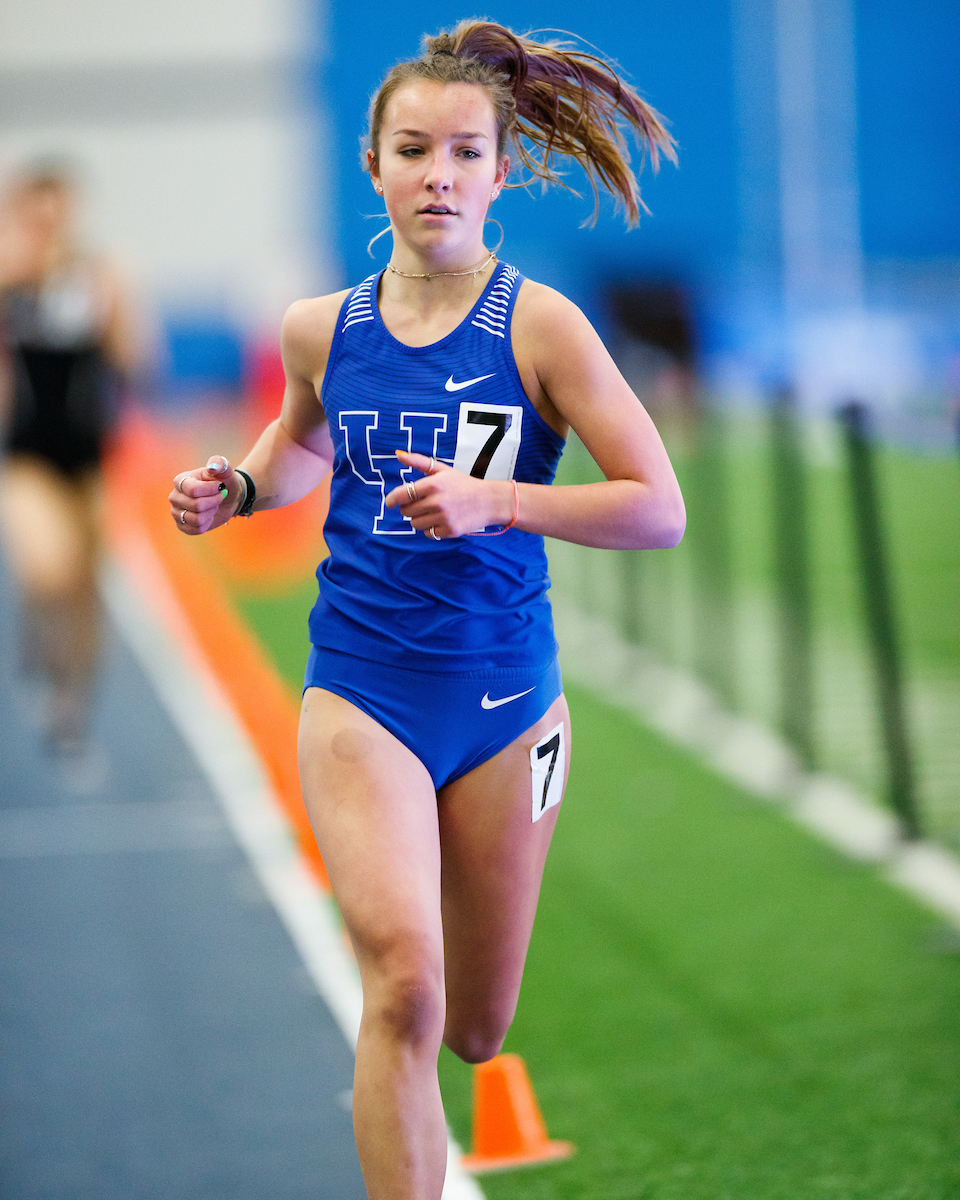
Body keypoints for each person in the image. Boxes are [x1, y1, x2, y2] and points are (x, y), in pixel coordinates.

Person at [170, 21, 685, 1199]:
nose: (437, 175)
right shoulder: (321, 329)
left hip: (507, 705)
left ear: (501, 172)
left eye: (463, 153)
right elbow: (303, 442)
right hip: (362, 690)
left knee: (476, 1026)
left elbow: (658, 508)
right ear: (375, 165)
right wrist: (240, 486)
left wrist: (498, 501)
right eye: (413, 150)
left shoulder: (542, 326)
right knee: (405, 982)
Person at [0, 163, 137, 760]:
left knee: (85, 583)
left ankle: (72, 703)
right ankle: (37, 628)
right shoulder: (8, 279)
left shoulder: (97, 276)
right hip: (29, 452)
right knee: (47, 571)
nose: (47, 224)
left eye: (57, 211)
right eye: (35, 213)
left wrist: (115, 309)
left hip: (88, 452)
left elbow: (135, 361)